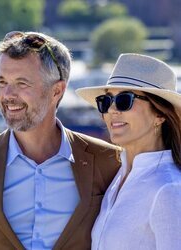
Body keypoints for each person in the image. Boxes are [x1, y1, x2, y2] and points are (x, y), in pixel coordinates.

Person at [0, 31, 120, 250]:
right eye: (2, 82)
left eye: (22, 83)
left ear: (57, 91)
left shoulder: (108, 160)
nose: (8, 94)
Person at [76, 53, 181, 250]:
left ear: (159, 114)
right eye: (106, 101)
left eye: (125, 100)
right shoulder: (118, 179)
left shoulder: (169, 189)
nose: (112, 110)